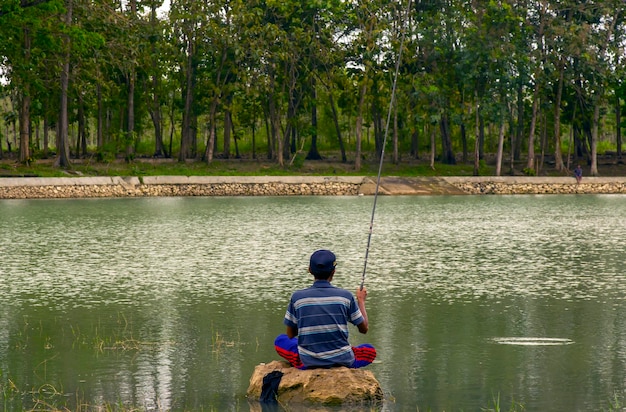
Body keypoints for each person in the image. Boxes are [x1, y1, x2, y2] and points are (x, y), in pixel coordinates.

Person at [274, 249, 376, 369]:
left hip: (308, 361)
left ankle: (309, 360)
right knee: (370, 350)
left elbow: (290, 334)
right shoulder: (345, 296)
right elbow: (364, 329)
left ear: (309, 270)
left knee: (280, 340)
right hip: (342, 359)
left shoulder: (297, 297)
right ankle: (339, 356)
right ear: (333, 271)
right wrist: (361, 301)